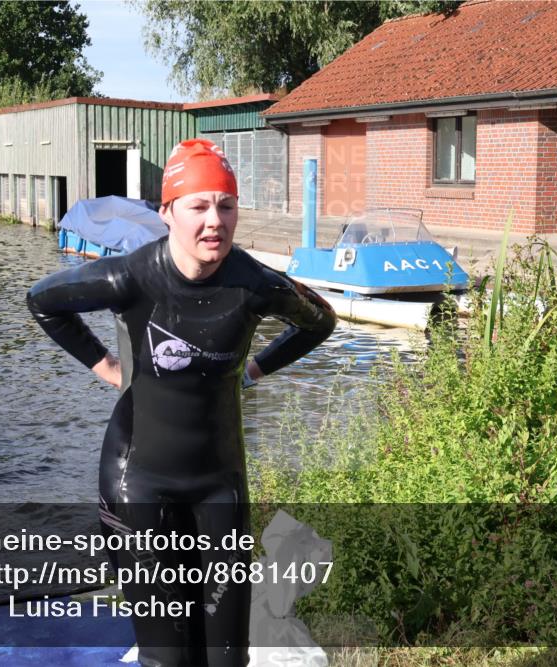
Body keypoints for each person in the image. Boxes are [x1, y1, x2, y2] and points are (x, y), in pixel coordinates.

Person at [27, 138, 336, 666]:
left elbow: (320, 321)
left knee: (227, 655)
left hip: (220, 485)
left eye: (226, 206)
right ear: (167, 212)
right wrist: (108, 367)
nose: (214, 221)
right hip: (139, 482)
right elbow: (43, 302)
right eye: (198, 206)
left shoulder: (254, 284)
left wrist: (252, 370)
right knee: (169, 656)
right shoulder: (130, 277)